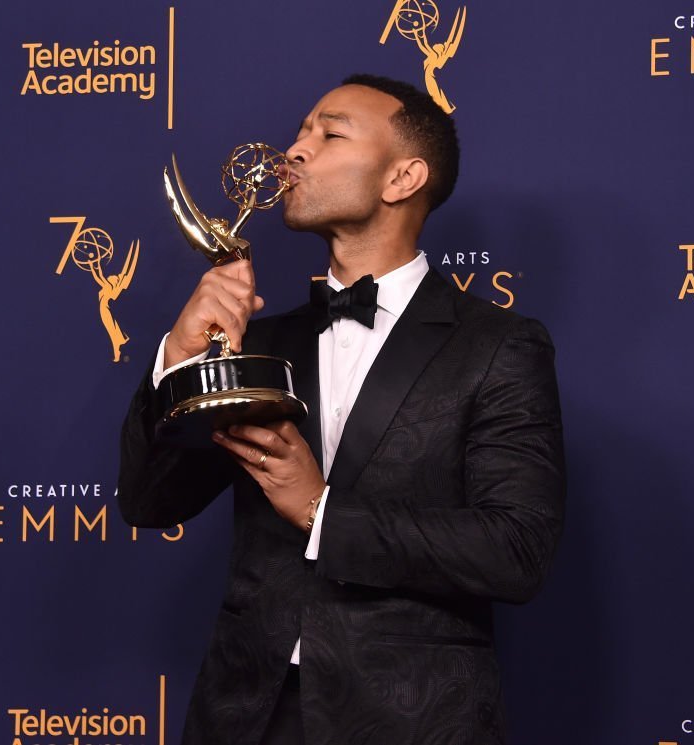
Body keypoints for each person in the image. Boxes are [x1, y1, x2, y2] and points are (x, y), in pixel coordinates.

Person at [118, 74, 566, 745]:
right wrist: (178, 359)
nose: (293, 151)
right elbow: (148, 502)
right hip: (245, 718)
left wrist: (321, 511)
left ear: (402, 177)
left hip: (412, 722)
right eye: (299, 132)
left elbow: (516, 550)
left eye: (329, 133)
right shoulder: (257, 342)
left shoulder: (499, 347)